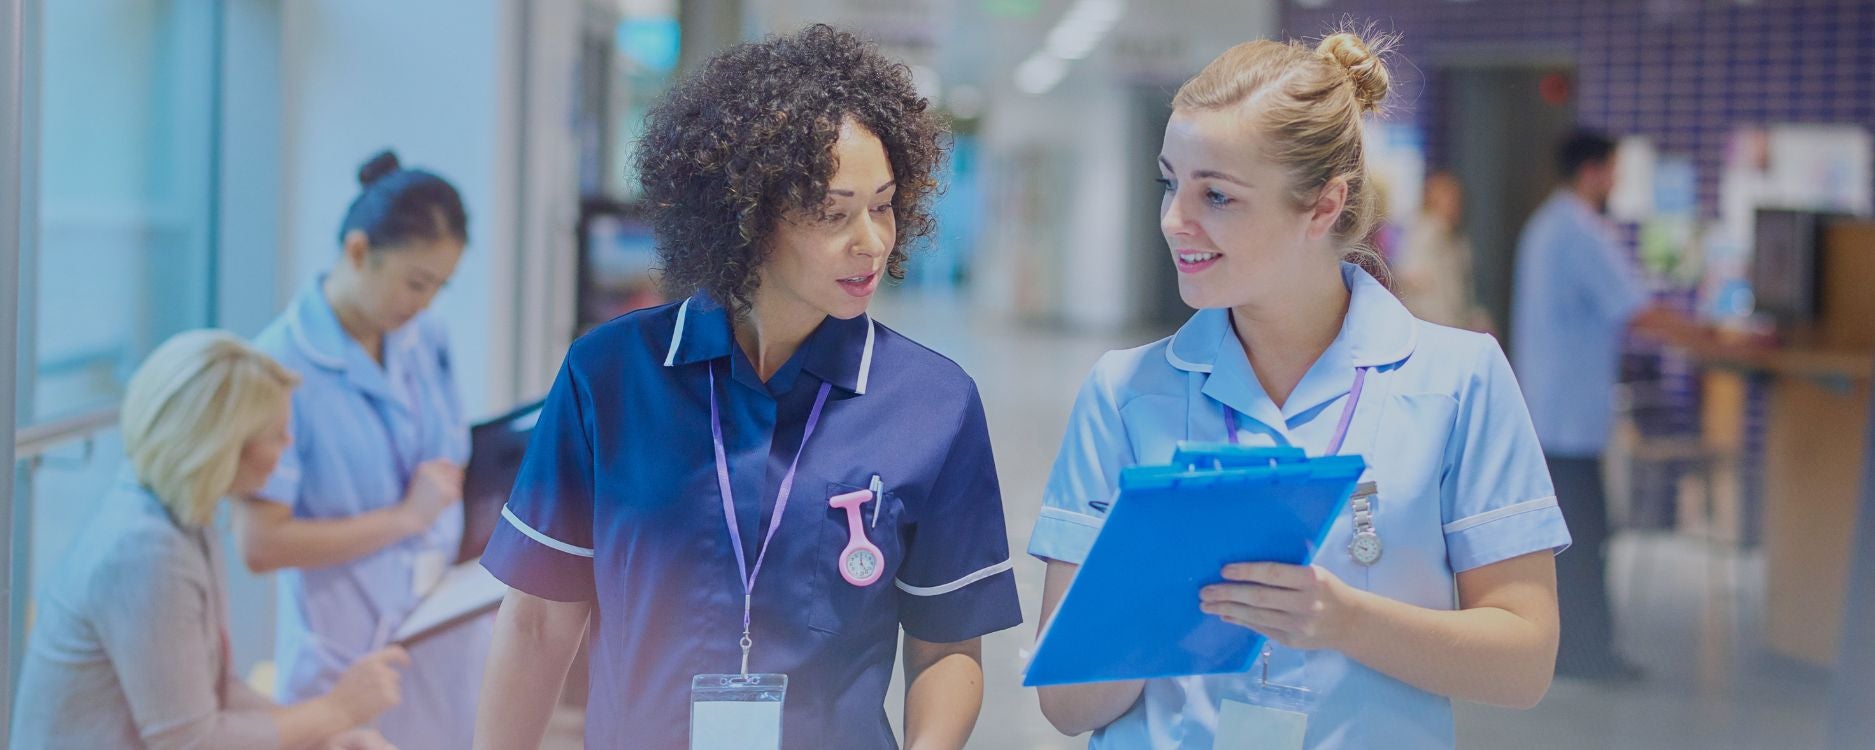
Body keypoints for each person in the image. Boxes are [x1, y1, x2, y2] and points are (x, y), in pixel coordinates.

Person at [472, 25, 1023, 750]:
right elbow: (540, 622)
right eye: (833, 213)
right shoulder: (608, 376)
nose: (872, 241)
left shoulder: (932, 404)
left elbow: (946, 647)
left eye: (883, 204)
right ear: (746, 216)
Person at [1029, 32, 1570, 749]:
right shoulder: (1125, 393)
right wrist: (1149, 590)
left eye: (1215, 195)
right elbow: (1067, 708)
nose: (1173, 220)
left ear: (1322, 206)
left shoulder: (1458, 383)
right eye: (1170, 183)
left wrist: (1345, 622)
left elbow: (1522, 664)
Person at [10, 331, 408, 750]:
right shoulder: (145, 552)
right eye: (276, 434)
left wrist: (327, 734)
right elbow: (191, 744)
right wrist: (337, 711)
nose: (288, 445)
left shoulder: (179, 516)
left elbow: (213, 691)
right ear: (223, 448)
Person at [237, 150, 483, 749]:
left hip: (441, 629)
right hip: (343, 651)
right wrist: (403, 519)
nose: (425, 303)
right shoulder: (279, 365)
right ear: (356, 251)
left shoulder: (426, 335)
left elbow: (448, 457)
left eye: (440, 287)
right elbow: (261, 543)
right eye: (416, 282)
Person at [1510, 130, 1700, 682]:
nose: (1617, 181)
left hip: (1550, 412)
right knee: (1585, 545)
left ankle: (1571, 651)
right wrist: (1714, 339)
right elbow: (1637, 310)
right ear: (1594, 171)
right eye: (1614, 170)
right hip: (1568, 420)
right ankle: (1585, 656)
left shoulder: (1548, 224)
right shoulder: (1579, 231)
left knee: (1572, 545)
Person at [1396, 170, 1490, 331]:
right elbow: (1412, 280)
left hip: (1454, 328)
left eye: (1457, 198)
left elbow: (1465, 295)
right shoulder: (1421, 234)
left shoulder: (1458, 243)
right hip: (1430, 330)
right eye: (1448, 197)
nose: (1454, 204)